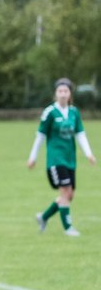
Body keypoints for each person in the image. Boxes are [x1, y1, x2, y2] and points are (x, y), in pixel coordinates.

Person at [28, 77, 95, 237]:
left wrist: (89, 153)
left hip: (70, 160)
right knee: (65, 192)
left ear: (70, 93)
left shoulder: (74, 112)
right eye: (60, 91)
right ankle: (68, 228)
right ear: (55, 94)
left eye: (66, 91)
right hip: (56, 160)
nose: (63, 94)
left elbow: (80, 134)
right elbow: (40, 136)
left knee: (69, 195)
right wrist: (33, 157)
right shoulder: (50, 112)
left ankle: (43, 217)